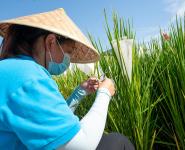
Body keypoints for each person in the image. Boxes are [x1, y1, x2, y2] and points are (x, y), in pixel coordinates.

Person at [0, 8, 135, 150]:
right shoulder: (29, 76)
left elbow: (53, 126)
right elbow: (80, 145)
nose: (69, 60)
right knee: (118, 141)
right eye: (69, 52)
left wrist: (80, 92)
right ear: (51, 42)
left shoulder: (14, 70)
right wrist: (104, 93)